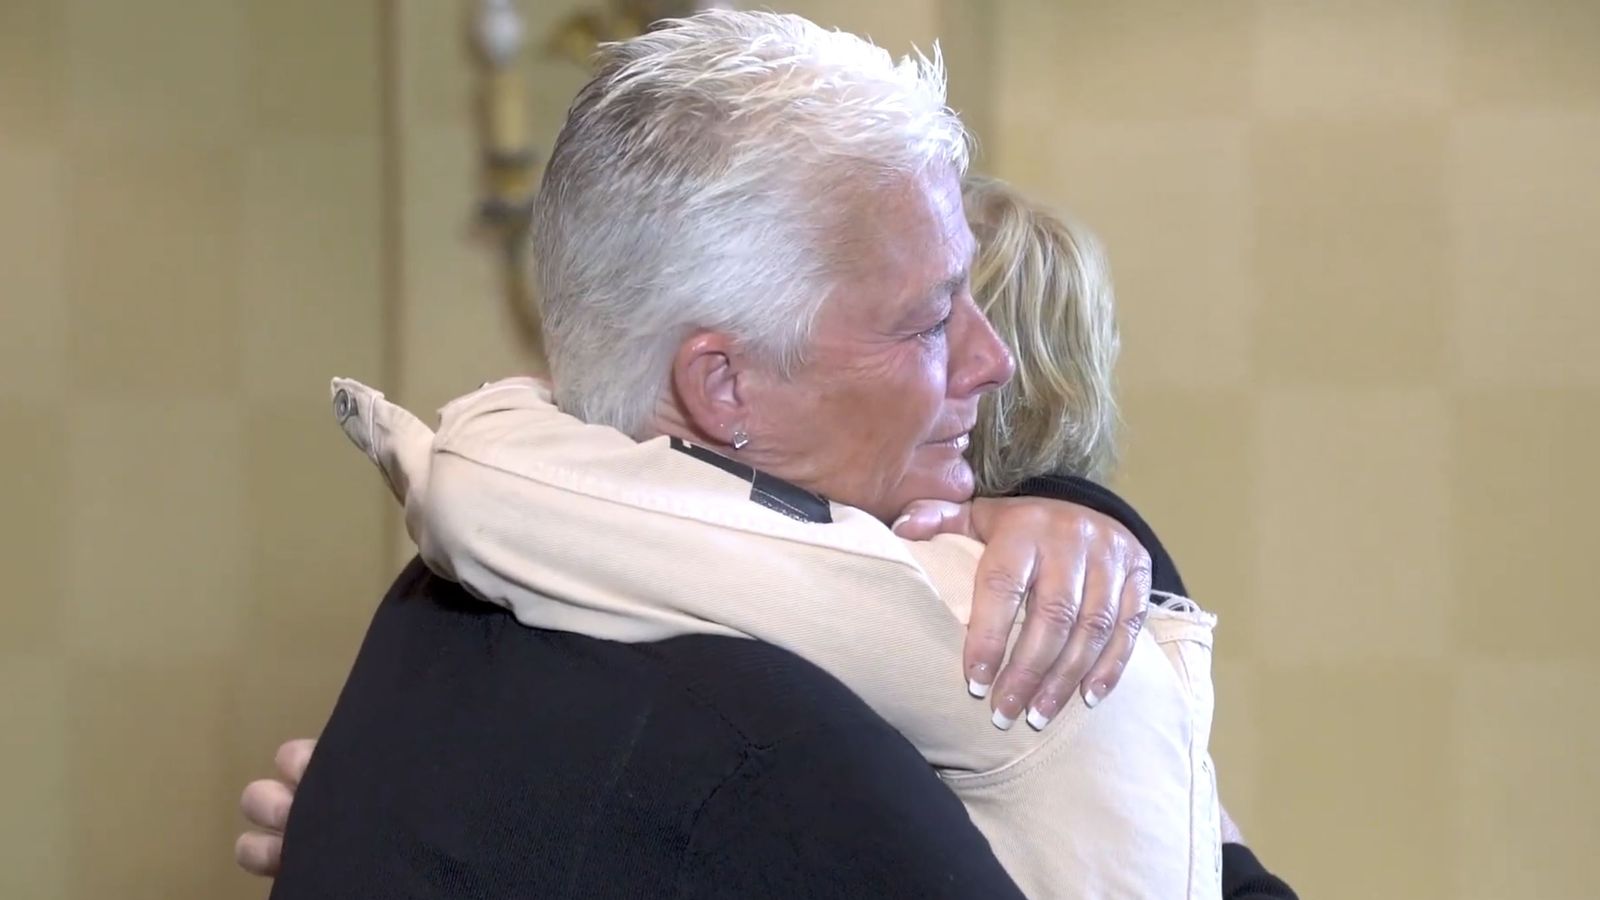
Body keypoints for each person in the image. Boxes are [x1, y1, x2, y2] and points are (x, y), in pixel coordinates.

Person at [244, 11, 1294, 898]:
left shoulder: (435, 608)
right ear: (726, 387)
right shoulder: (783, 758)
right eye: (929, 320)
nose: (993, 359)